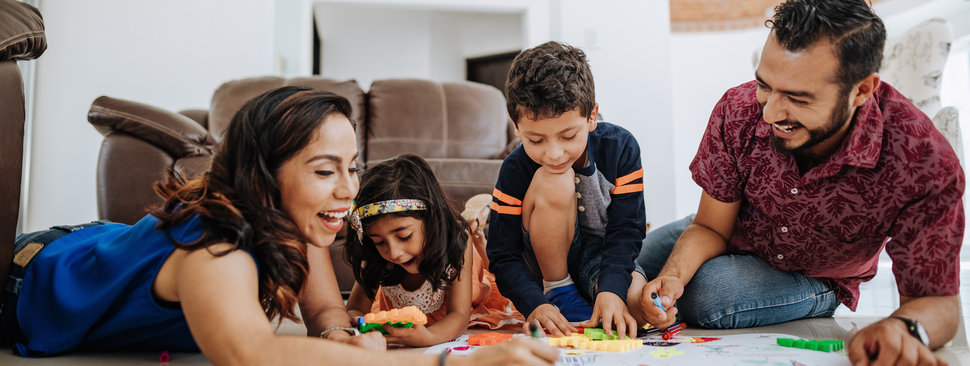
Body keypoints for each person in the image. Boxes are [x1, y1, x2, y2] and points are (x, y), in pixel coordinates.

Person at [1, 87, 559, 366]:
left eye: (352, 168)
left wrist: (343, 340)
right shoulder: (216, 248)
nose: (349, 191)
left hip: (96, 241)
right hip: (27, 276)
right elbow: (251, 351)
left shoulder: (296, 224)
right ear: (265, 176)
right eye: (324, 170)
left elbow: (324, 314)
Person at [637, 1, 964, 365]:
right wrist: (673, 275)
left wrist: (904, 328)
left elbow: (938, 301)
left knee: (707, 294)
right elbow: (711, 226)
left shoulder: (921, 159)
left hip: (817, 275)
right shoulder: (738, 108)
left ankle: (817, 299)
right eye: (765, 85)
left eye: (798, 98)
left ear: (861, 90)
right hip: (732, 229)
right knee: (630, 264)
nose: (770, 113)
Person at [488, 41, 649, 341]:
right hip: (541, 269)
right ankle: (559, 291)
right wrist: (534, 303)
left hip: (601, 255)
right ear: (516, 126)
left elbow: (627, 230)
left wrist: (612, 290)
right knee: (555, 178)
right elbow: (502, 253)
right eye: (536, 140)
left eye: (568, 136)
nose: (554, 154)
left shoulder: (621, 148)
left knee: (636, 308)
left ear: (592, 116)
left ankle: (592, 298)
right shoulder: (514, 169)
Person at [344, 154, 525, 347]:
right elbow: (354, 309)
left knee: (467, 233)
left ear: (431, 220)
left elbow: (459, 315)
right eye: (379, 241)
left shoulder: (457, 242)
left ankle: (476, 223)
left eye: (404, 237)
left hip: (459, 265)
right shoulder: (375, 253)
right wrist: (357, 329)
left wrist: (429, 337)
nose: (394, 253)